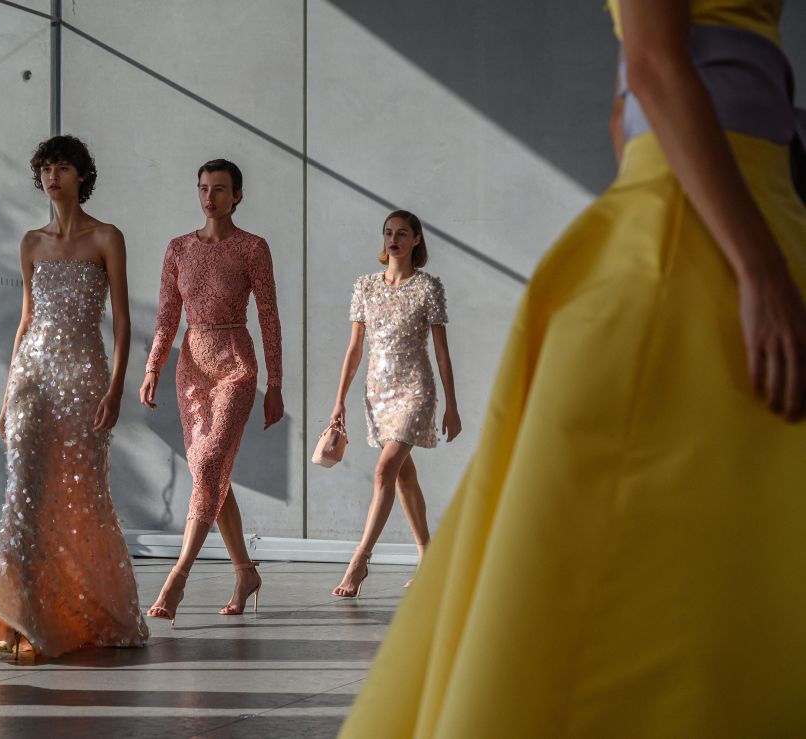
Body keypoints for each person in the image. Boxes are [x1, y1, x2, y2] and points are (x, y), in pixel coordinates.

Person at [340, 0, 806, 735]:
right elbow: (649, 69)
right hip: (711, 231)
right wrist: (756, 264)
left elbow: (627, 111)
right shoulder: (378, 285)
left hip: (756, 211)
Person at [0, 135, 147, 657]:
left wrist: (116, 389)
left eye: (63, 167)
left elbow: (121, 322)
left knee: (80, 493)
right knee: (24, 492)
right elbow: (27, 320)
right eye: (46, 168)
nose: (53, 176)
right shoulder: (30, 242)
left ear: (82, 176)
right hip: (33, 376)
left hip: (84, 377)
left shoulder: (106, 238)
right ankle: (21, 619)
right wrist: (7, 396)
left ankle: (75, 610)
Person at [140, 159, 284, 623]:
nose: (210, 197)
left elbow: (269, 317)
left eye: (220, 189)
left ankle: (178, 576)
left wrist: (275, 384)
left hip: (236, 366)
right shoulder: (178, 249)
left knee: (206, 463)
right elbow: (166, 317)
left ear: (237, 196)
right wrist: (151, 368)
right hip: (191, 369)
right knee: (212, 471)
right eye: (204, 188)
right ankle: (245, 571)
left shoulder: (252, 248)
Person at [329, 210, 460, 598]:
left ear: (416, 240)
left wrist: (451, 405)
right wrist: (339, 402)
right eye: (388, 233)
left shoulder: (428, 287)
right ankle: (429, 557)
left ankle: (360, 560)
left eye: (402, 233)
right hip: (378, 393)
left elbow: (441, 353)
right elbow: (354, 350)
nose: (394, 239)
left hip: (416, 390)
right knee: (403, 475)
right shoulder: (365, 286)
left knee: (385, 471)